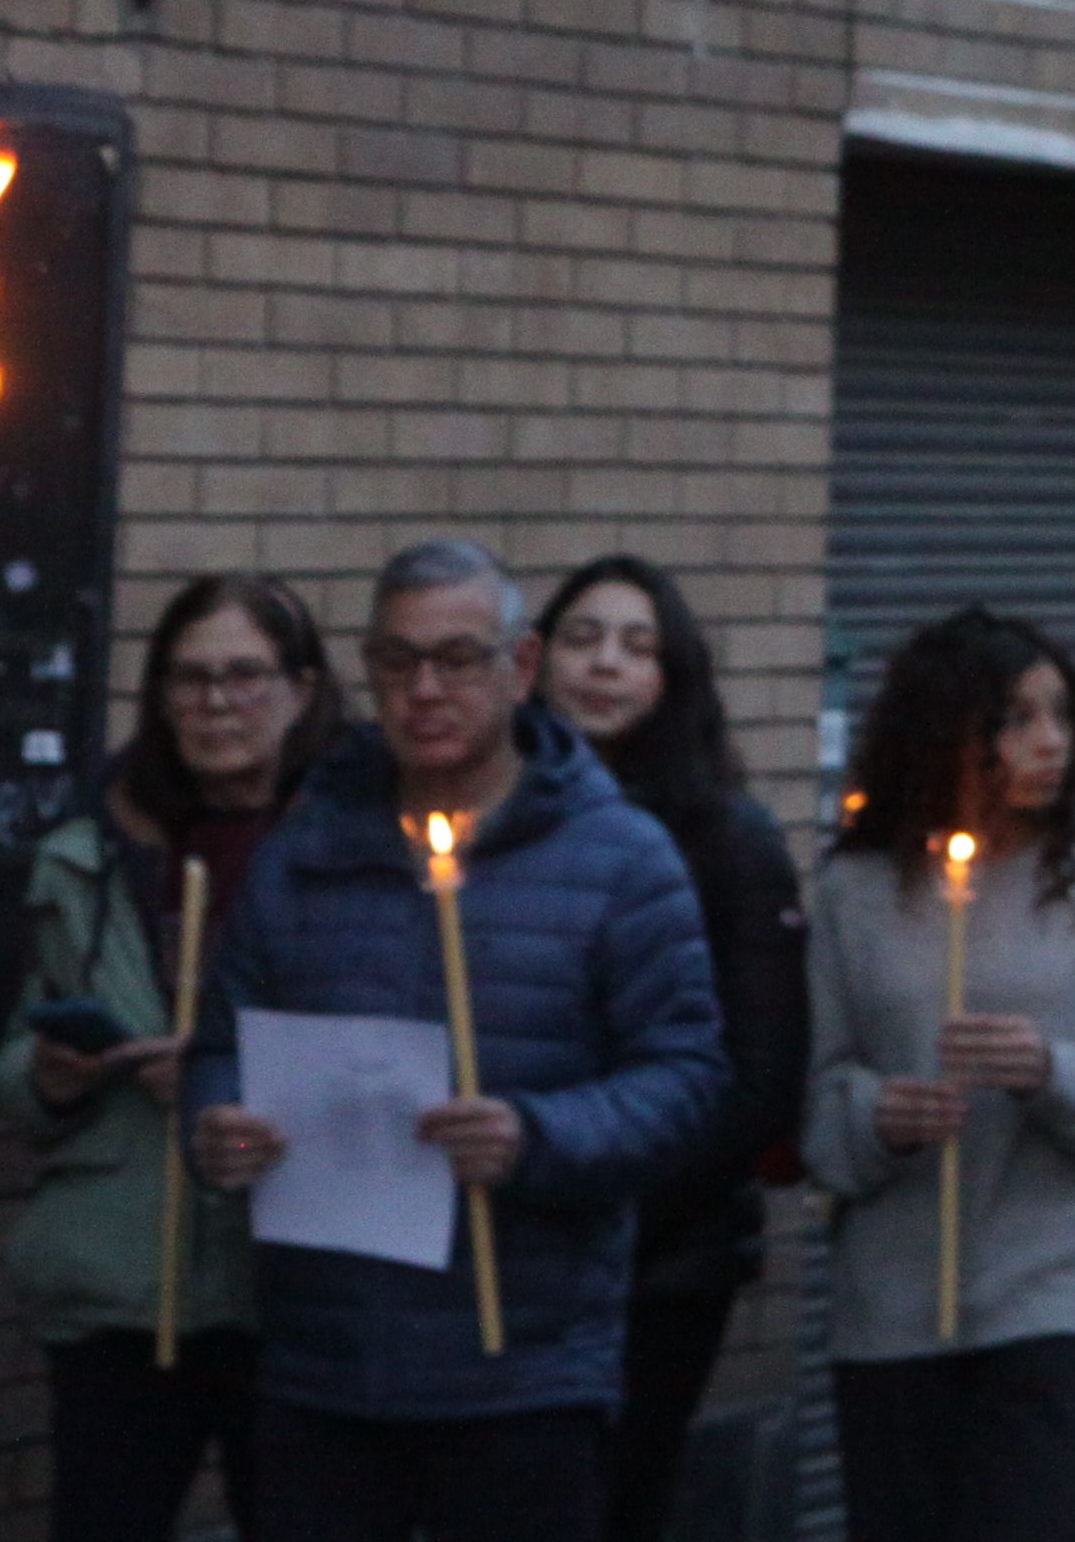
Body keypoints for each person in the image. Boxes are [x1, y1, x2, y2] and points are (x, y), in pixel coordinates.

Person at [187, 538, 730, 1542]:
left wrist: (537, 1137)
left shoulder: (618, 859)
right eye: (397, 662)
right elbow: (223, 1039)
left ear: (519, 669)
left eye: (457, 659)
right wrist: (213, 1121)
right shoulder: (308, 851)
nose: (424, 690)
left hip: (521, 1370)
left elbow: (688, 1081)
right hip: (323, 1363)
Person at [809, 606, 1075, 1542]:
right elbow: (817, 1105)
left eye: (1062, 714)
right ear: (946, 730)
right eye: (1018, 719)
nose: (1052, 743)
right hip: (896, 1302)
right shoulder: (853, 892)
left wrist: (1050, 1071)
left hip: (1054, 1291)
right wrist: (881, 1117)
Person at [2, 575, 336, 1542]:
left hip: (293, 1284)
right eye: (187, 681)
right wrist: (55, 1079)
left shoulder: (353, 856)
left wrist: (226, 1073)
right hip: (125, 1276)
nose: (215, 704)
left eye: (243, 676)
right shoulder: (89, 856)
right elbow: (16, 1068)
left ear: (302, 689)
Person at [538, 553, 812, 1542]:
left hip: (664, 1261)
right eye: (580, 639)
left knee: (615, 1501)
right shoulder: (492, 824)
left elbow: (762, 1081)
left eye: (636, 646)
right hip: (516, 1243)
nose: (603, 665)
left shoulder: (729, 839)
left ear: (674, 675)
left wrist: (609, 1199)